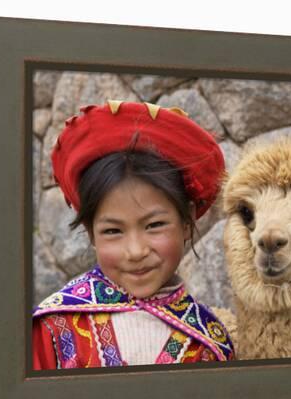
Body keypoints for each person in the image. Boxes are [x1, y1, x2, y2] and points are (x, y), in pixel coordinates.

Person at [32, 100, 234, 369]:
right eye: (113, 231)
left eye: (154, 225)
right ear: (91, 233)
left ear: (186, 221)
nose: (136, 251)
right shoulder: (52, 328)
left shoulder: (209, 343)